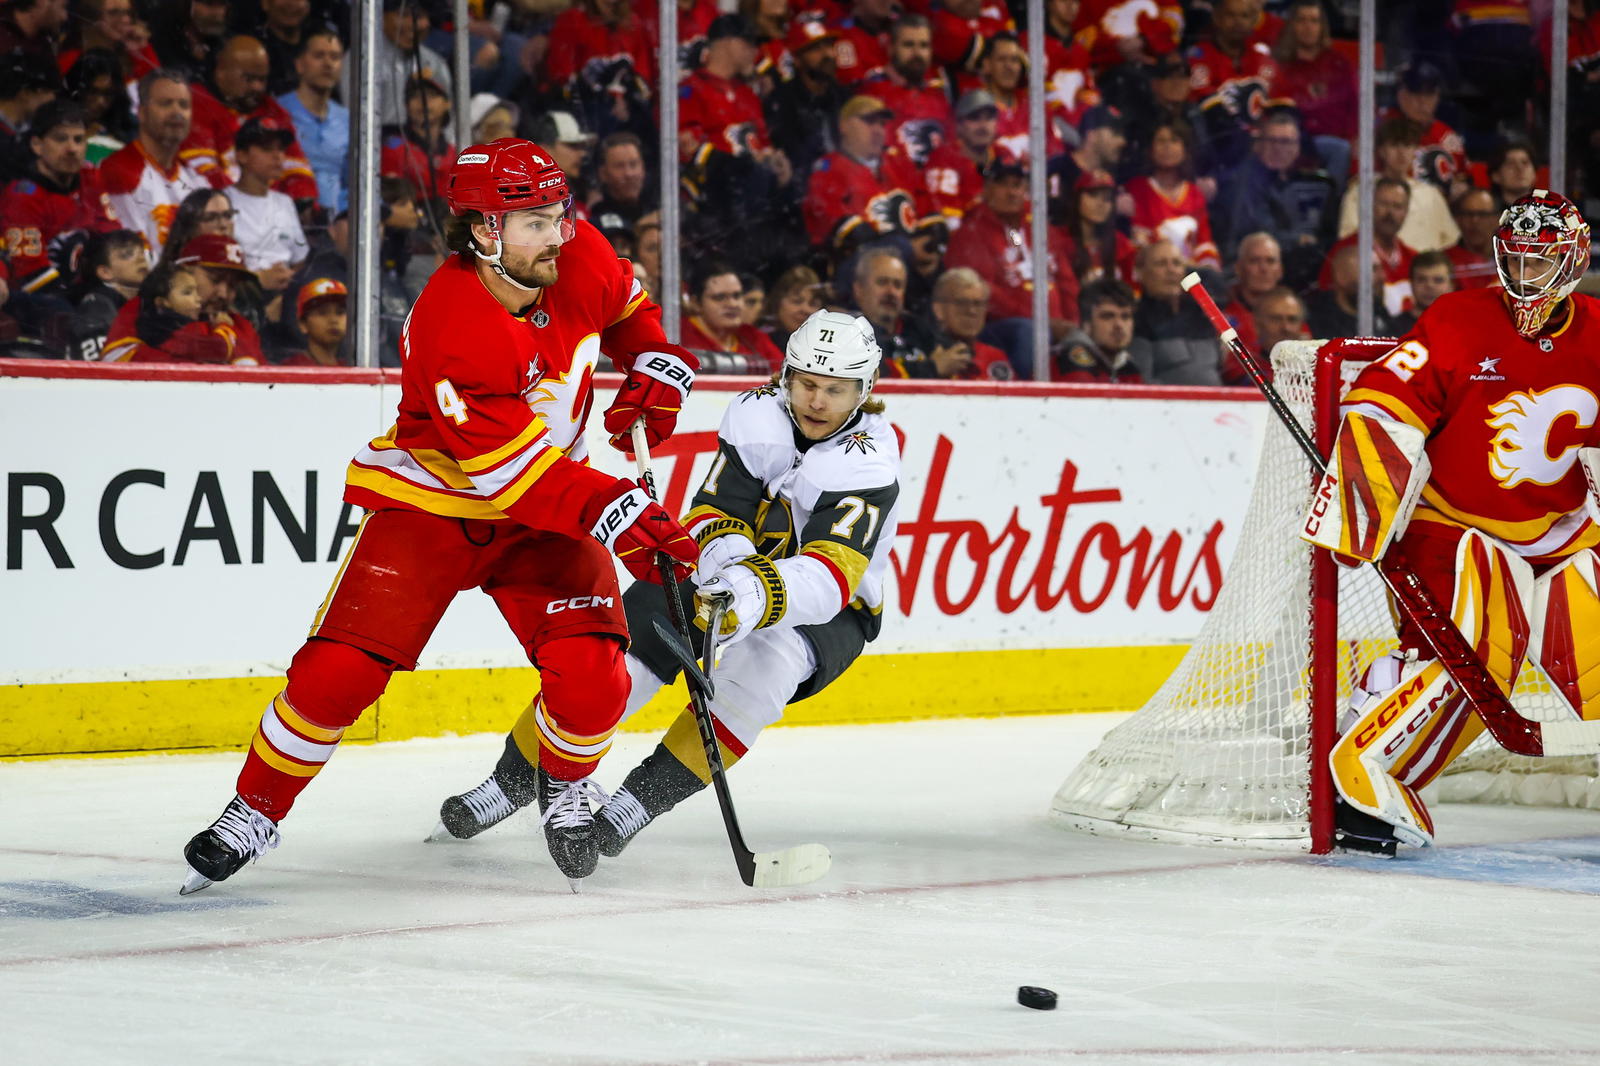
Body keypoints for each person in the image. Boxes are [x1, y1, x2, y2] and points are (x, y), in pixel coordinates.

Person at [178, 138, 702, 894]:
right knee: (337, 675)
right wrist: (615, 511)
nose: (558, 233)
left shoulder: (574, 249)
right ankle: (253, 810)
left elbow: (630, 311)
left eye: (559, 212)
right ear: (483, 233)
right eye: (534, 222)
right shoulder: (453, 322)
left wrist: (655, 363)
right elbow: (508, 476)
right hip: (438, 506)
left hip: (550, 505)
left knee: (595, 680)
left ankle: (562, 784)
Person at [431, 309, 902, 863]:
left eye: (836, 390)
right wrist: (731, 566)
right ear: (785, 376)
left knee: (760, 676)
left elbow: (828, 577)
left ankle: (635, 804)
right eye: (806, 384)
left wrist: (751, 591)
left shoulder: (869, 460)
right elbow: (714, 512)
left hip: (831, 609)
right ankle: (510, 782)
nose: (817, 402)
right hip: (732, 574)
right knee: (620, 663)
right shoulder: (757, 414)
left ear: (864, 390)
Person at [1313, 190, 1600, 856]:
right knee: (1481, 658)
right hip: (1453, 532)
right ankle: (1368, 776)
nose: (1526, 278)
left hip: (1560, 534)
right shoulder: (1456, 319)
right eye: (1517, 261)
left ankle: (1379, 693)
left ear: (1575, 261)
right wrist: (1359, 515)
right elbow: (1383, 403)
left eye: (1543, 263)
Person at [944, 157, 1076, 374]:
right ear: (987, 189)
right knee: (1026, 332)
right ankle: (1027, 399)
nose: (1012, 192)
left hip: (1051, 326)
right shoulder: (971, 233)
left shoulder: (1040, 230)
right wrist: (1041, 322)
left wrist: (1070, 322)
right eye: (1003, 184)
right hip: (999, 330)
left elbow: (1066, 280)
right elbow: (986, 294)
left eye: (1017, 185)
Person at [1210, 105, 1336, 290]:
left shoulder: (1287, 179)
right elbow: (1255, 232)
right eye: (1273, 141)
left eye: (1287, 142)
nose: (1280, 149)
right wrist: (1299, 240)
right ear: (1258, 144)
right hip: (1241, 271)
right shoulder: (1243, 182)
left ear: (1298, 147)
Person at [0, 99, 115, 297]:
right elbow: (31, 275)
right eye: (61, 139)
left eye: (78, 140)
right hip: (40, 301)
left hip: (85, 290)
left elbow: (111, 234)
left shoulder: (90, 178)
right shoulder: (22, 197)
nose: (72, 149)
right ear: (37, 144)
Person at [98, 68, 209, 251]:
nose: (177, 112)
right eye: (166, 103)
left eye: (184, 105)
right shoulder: (119, 172)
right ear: (141, 112)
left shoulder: (197, 180)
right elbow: (131, 260)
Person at [802, 94, 924, 254]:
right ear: (843, 126)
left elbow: (925, 204)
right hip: (859, 263)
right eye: (869, 121)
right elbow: (828, 220)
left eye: (882, 124)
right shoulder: (829, 169)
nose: (878, 131)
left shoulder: (899, 164)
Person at [1336, 118, 1458, 253]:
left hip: (1424, 268)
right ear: (1382, 151)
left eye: (1407, 145)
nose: (1401, 153)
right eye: (1394, 145)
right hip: (1378, 267)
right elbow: (1348, 237)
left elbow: (1450, 240)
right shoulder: (1361, 191)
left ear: (1415, 151)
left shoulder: (1431, 194)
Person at [338, 0, 453, 128]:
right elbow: (355, 121)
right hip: (377, 144)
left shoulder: (434, 64)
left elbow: (449, 124)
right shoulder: (362, 59)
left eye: (418, 16)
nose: (412, 24)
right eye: (403, 15)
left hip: (425, 146)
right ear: (381, 17)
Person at [225, 117, 307, 297]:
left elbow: (300, 259)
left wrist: (288, 280)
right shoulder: (223, 201)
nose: (277, 156)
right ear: (242, 155)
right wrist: (259, 279)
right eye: (267, 149)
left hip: (285, 295)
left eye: (281, 149)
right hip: (242, 296)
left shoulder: (284, 202)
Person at [859, 13, 952, 169]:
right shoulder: (872, 91)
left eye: (923, 46)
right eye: (908, 45)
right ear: (891, 49)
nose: (917, 53)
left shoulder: (939, 93)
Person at [1124, 118, 1218, 269]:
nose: (1167, 147)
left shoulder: (1194, 193)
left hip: (1191, 275)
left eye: (1174, 140)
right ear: (1150, 149)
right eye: (1161, 141)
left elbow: (1204, 242)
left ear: (1185, 149)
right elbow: (1139, 242)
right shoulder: (1137, 189)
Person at [1320, 176, 1417, 318]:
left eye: (1397, 206)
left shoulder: (1413, 258)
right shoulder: (1344, 254)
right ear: (1369, 206)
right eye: (1383, 204)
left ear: (1406, 211)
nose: (1390, 213)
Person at [1130, 239, 1222, 385]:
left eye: (1177, 263)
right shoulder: (1135, 319)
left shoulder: (1202, 315)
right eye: (1161, 264)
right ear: (1141, 273)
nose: (1171, 270)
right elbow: (1142, 381)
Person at [277, 28, 348, 215]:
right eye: (319, 56)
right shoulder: (278, 112)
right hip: (288, 214)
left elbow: (353, 182)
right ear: (300, 64)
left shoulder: (349, 120)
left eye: (335, 57)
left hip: (338, 222)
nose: (328, 64)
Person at [678, 259, 784, 372]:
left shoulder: (754, 337)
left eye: (737, 296)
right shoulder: (677, 333)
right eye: (719, 297)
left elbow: (786, 378)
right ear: (696, 303)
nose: (732, 304)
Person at [907, 266, 1012, 380]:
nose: (972, 311)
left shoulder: (996, 358)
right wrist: (933, 370)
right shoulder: (922, 356)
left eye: (978, 304)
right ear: (938, 310)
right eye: (962, 303)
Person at [922, 88, 1003, 227]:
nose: (983, 126)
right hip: (966, 237)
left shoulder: (1004, 154)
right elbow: (949, 221)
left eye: (989, 118)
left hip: (1005, 235)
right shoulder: (943, 159)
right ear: (959, 125)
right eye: (974, 118)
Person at [70, 227, 146, 359]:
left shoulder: (150, 302)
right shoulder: (96, 306)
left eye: (142, 253)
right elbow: (97, 371)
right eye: (127, 254)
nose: (140, 259)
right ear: (105, 272)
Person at [1303, 240, 1394, 339]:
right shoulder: (1316, 321)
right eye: (1373, 269)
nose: (1383, 276)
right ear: (1342, 276)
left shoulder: (1380, 313)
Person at [1056, 278, 1140, 382]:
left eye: (1125, 317)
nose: (1119, 324)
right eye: (1107, 316)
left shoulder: (1126, 365)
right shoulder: (1072, 360)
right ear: (1086, 325)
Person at [1064, 170, 1136, 285]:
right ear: (1077, 198)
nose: (1100, 204)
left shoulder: (1121, 244)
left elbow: (1131, 287)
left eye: (1107, 199)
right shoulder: (1061, 242)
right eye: (1093, 195)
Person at [1220, 231, 1281, 356]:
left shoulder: (1292, 313)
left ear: (1280, 270)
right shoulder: (1220, 313)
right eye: (1254, 261)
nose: (1263, 268)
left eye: (1270, 261)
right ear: (1238, 268)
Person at [589, 131, 654, 234]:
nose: (629, 174)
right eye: (619, 166)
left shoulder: (658, 209)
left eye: (633, 164)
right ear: (603, 174)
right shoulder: (595, 222)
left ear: (643, 168)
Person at [278, 276, 348, 365]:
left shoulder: (350, 366)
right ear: (303, 324)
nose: (333, 320)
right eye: (322, 313)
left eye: (340, 312)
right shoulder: (293, 367)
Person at [1389, 250, 1455, 334]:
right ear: (1411, 284)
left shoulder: (1463, 327)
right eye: (1421, 279)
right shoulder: (1394, 329)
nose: (1430, 286)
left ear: (1451, 286)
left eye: (1438, 280)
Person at [1446, 187, 1500, 290]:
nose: (1475, 221)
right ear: (1458, 219)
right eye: (1468, 214)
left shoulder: (1512, 260)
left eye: (1482, 214)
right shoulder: (1445, 261)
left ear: (1496, 219)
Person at [763, 263, 823, 351]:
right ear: (777, 303)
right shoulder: (761, 343)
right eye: (797, 301)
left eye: (813, 304)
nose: (806, 310)